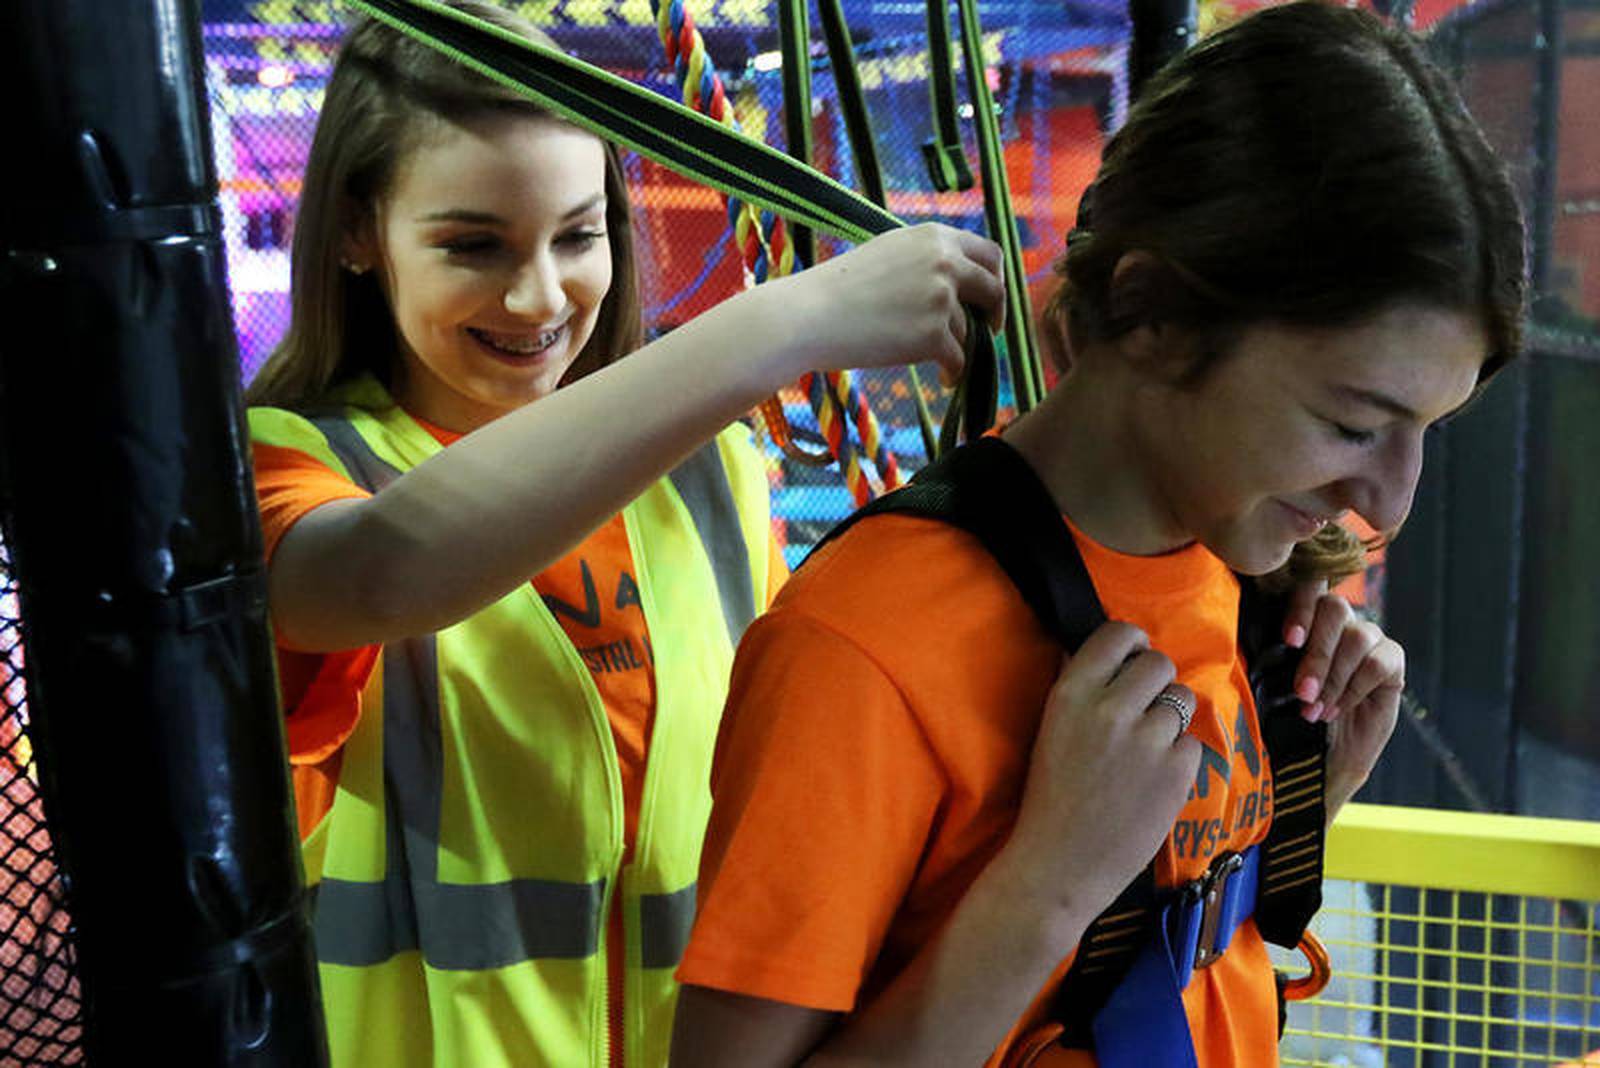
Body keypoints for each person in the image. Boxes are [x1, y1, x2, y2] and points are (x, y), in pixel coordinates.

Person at [670, 3, 1527, 1066]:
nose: (1387, 507)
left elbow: (1170, 966)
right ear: (1153, 314)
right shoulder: (868, 648)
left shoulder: (1235, 570)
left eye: (1423, 432)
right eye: (1352, 423)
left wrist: (1308, 793)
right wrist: (1042, 889)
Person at [243, 3, 1006, 1065]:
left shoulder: (711, 474)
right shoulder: (291, 465)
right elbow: (376, 574)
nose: (538, 295)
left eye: (578, 234)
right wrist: (780, 322)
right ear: (357, 234)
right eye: (472, 243)